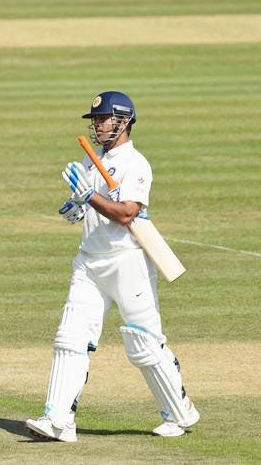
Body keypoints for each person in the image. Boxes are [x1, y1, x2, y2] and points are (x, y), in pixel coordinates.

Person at [26, 91, 199, 441]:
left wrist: (90, 196)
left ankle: (180, 414)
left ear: (123, 121)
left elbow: (126, 213)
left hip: (127, 262)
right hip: (89, 262)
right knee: (70, 339)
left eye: (104, 119)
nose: (98, 125)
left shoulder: (137, 164)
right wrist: (78, 206)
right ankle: (58, 421)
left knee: (144, 344)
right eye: (95, 120)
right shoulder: (91, 161)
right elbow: (95, 206)